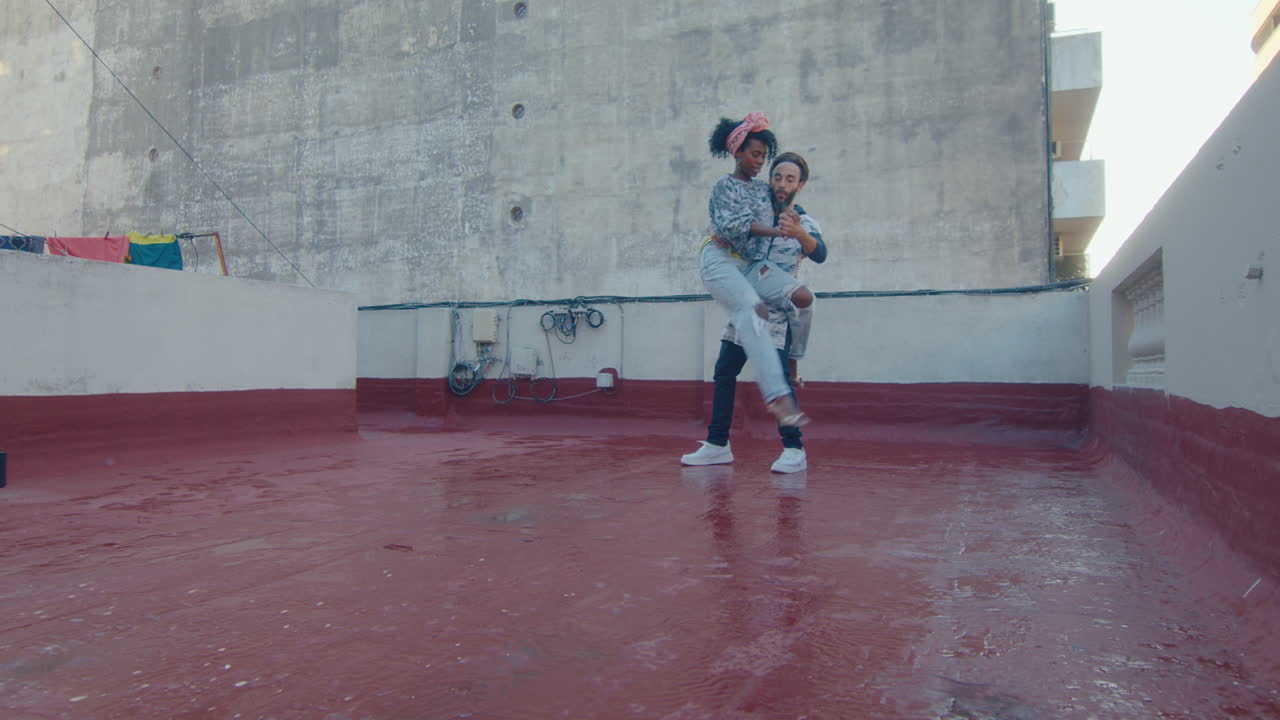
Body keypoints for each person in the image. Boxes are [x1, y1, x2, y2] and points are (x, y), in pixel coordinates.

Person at [683, 152, 827, 473]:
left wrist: (799, 233)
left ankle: (794, 448)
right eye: (777, 176)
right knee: (724, 372)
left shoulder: (805, 221)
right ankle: (718, 444)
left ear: (800, 185)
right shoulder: (756, 215)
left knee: (780, 379)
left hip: (776, 314)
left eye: (790, 179)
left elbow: (820, 253)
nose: (782, 183)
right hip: (746, 306)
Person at [699, 113, 810, 427]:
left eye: (764, 155)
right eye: (755, 155)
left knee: (803, 296)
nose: (761, 162)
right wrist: (777, 232)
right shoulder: (725, 186)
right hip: (719, 258)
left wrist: (797, 223)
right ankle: (777, 396)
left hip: (752, 266)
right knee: (753, 309)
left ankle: (792, 364)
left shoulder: (763, 190)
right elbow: (737, 228)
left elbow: (782, 202)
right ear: (737, 153)